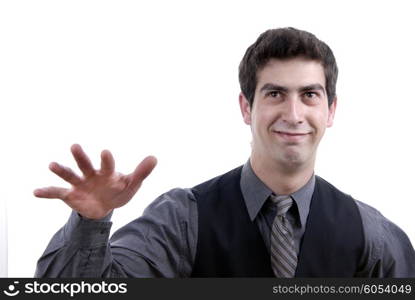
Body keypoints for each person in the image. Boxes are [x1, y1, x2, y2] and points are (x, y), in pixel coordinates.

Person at [34, 27, 415, 278]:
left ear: (330, 110)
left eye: (310, 95)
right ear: (246, 107)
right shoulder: (183, 219)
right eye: (275, 94)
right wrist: (91, 223)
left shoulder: (372, 236)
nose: (294, 114)